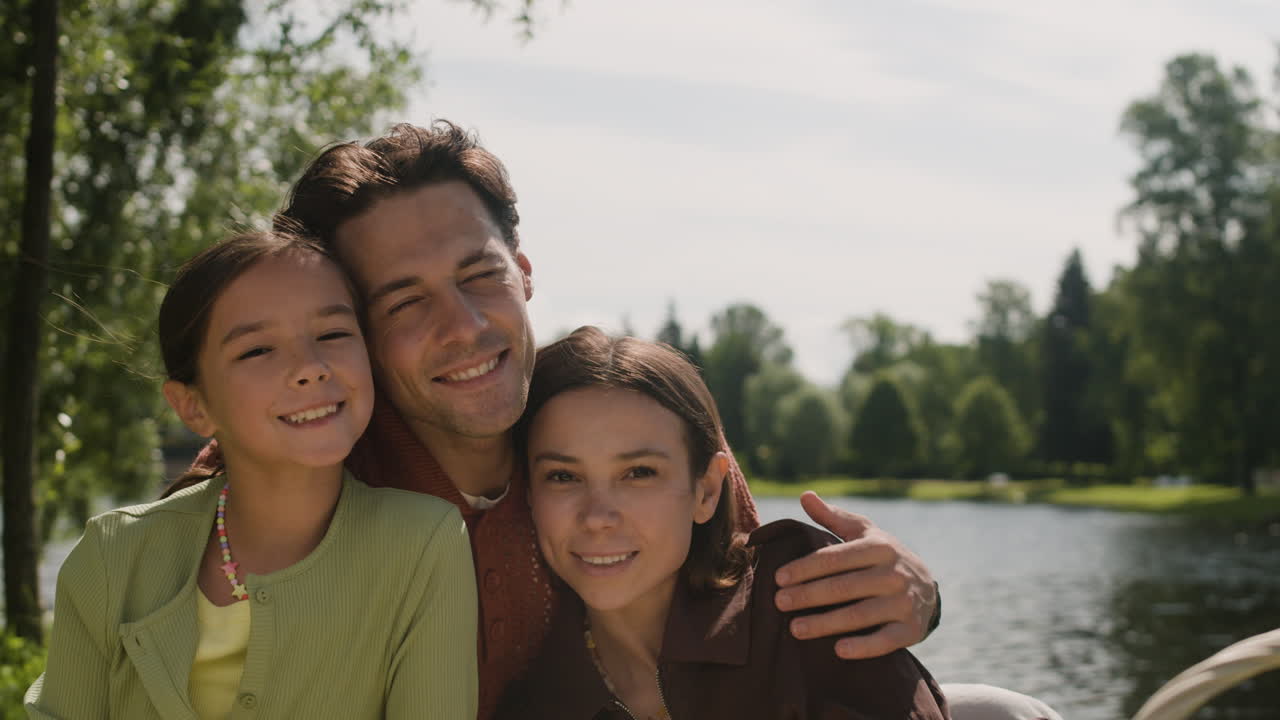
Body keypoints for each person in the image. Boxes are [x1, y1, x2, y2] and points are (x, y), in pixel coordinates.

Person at [199, 120, 1058, 720]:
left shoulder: (613, 421)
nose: (462, 326)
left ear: (525, 271)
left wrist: (911, 595)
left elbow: (744, 617)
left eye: (479, 276)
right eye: (404, 300)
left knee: (1009, 712)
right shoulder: (307, 470)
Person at [26, 231, 477, 719]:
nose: (310, 368)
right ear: (193, 406)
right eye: (257, 350)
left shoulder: (424, 544)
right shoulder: (112, 555)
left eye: (332, 334)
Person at [498, 327, 950, 719]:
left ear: (707, 491)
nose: (597, 517)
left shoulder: (801, 602)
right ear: (530, 496)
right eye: (563, 476)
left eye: (639, 473)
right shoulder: (532, 699)